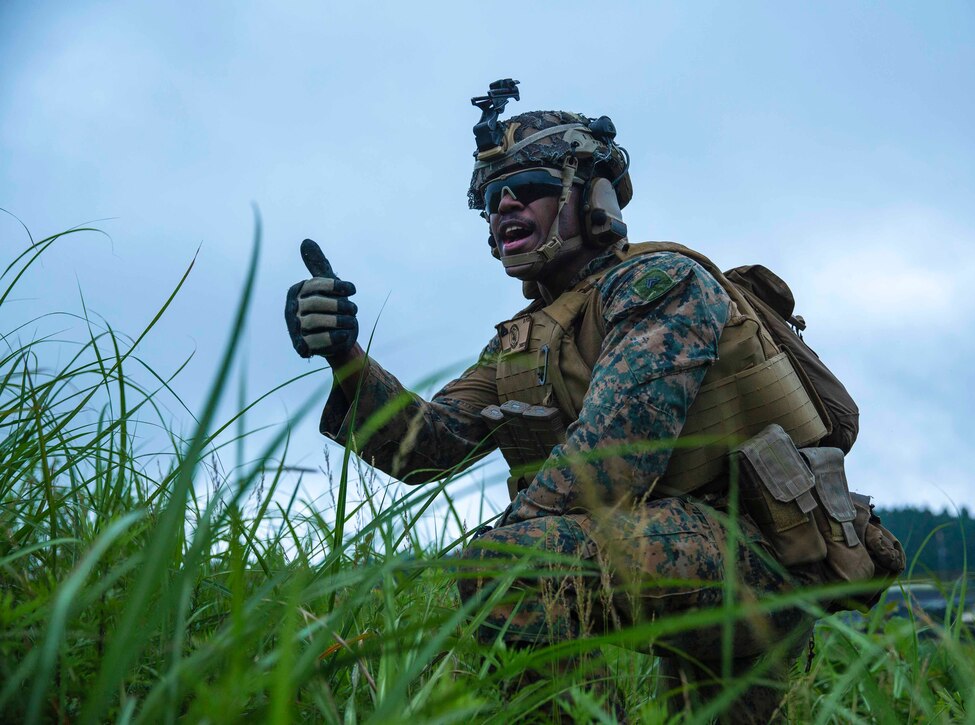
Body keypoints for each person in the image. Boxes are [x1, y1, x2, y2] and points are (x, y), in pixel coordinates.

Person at [285, 80, 898, 722]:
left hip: (757, 552)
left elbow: (617, 454)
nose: (507, 206)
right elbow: (426, 448)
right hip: (674, 549)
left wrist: (496, 550)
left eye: (535, 188)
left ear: (593, 198)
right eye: (494, 198)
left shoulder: (661, 283)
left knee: (514, 567)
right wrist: (346, 359)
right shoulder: (522, 343)